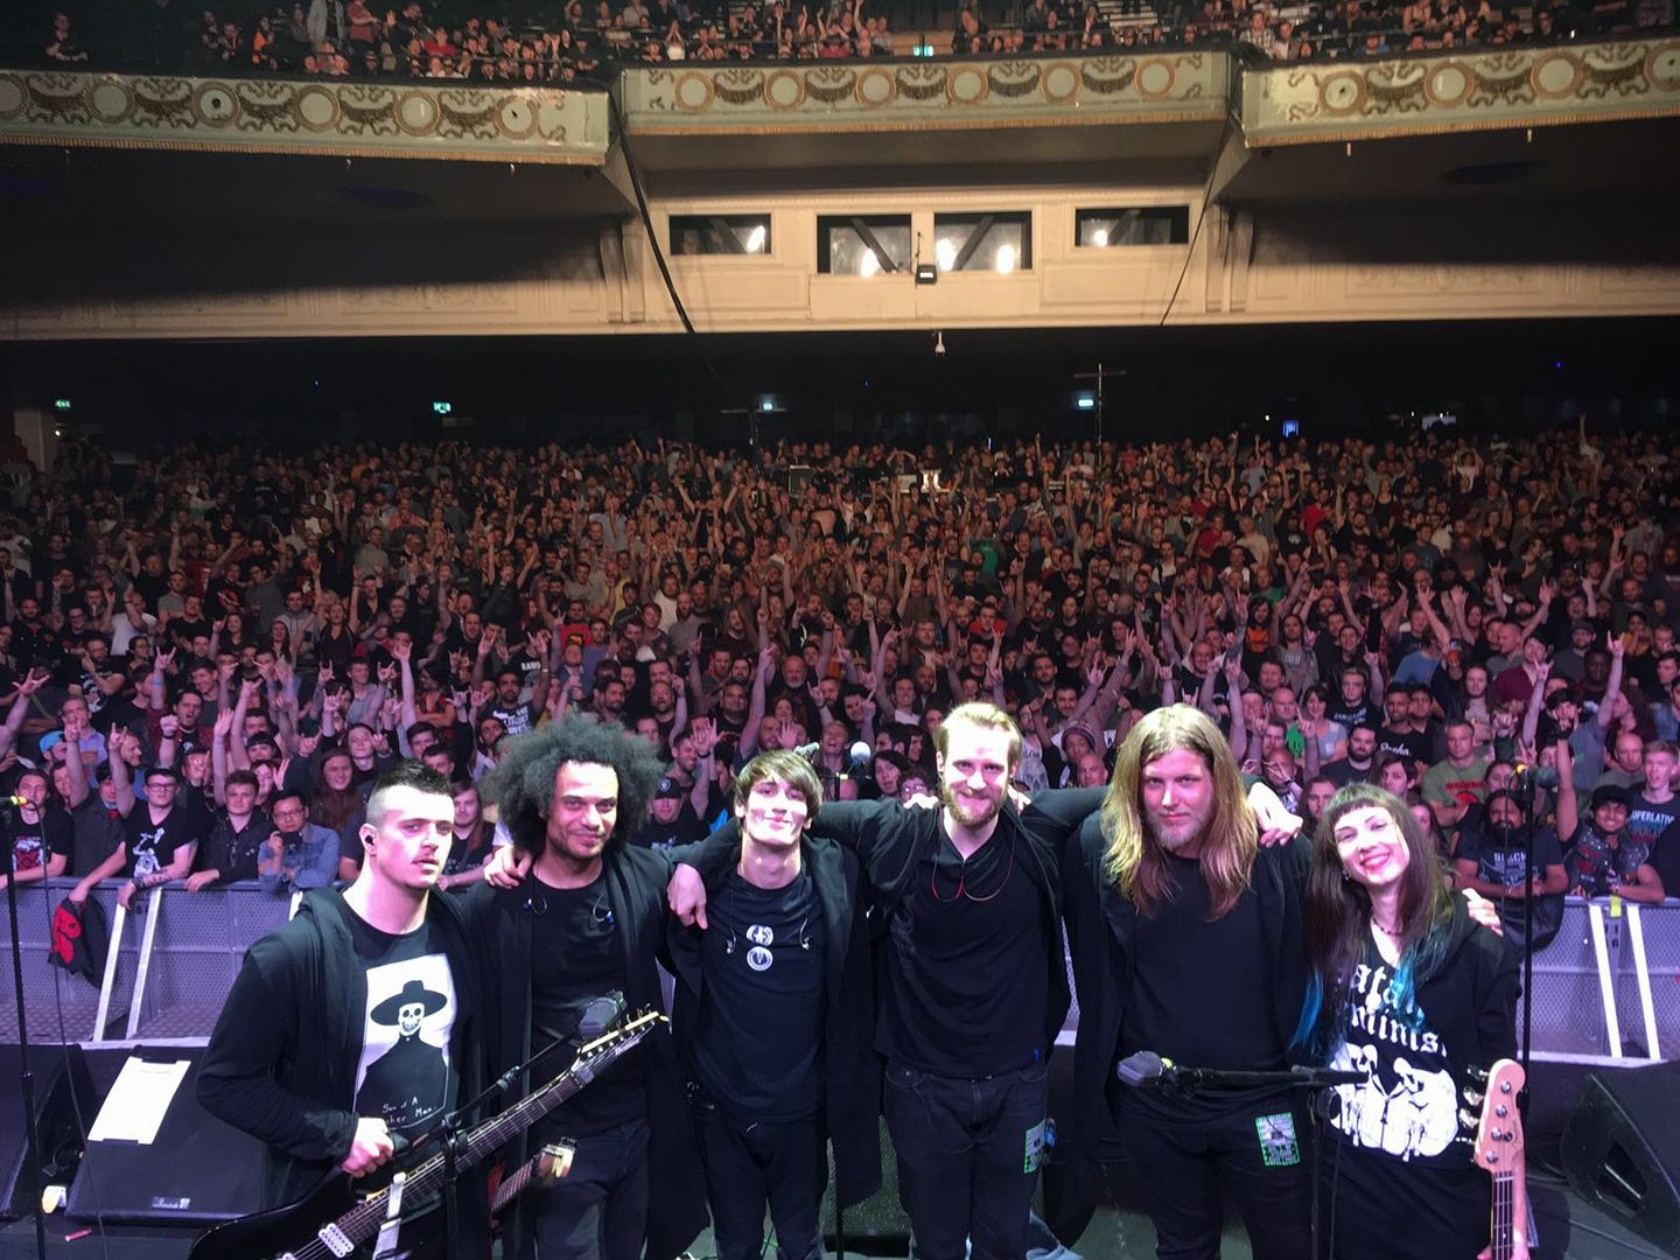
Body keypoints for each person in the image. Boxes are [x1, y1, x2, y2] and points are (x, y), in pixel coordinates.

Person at [672, 701, 1099, 1260]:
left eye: (993, 769)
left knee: (1006, 1242)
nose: (977, 781)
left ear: (1013, 772)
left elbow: (1150, 781)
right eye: (965, 765)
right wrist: (697, 861)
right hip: (921, 1086)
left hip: (1018, 1085)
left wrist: (1254, 788)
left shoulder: (1040, 824)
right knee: (936, 1244)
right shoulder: (893, 829)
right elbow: (782, 812)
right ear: (940, 765)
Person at [196, 763, 491, 1259]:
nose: (432, 842)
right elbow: (223, 1083)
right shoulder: (292, 953)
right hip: (335, 1214)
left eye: (443, 828)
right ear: (370, 840)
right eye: (412, 826)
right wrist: (341, 1133)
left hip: (436, 1201)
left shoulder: (456, 930)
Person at [1060, 704, 1314, 1260]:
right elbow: (1024, 811)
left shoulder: (1276, 853)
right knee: (1182, 1248)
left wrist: (1464, 912)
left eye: (1187, 781)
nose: (1169, 799)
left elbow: (1364, 911)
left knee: (1290, 1246)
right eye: (1152, 782)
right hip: (1157, 1101)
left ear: (1217, 781)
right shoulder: (1104, 853)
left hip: (1263, 1096)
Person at [466, 715, 707, 1260]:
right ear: (540, 803)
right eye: (574, 803)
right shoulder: (497, 902)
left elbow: (714, 858)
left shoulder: (642, 876)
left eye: (606, 805)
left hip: (637, 1128)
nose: (592, 818)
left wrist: (692, 864)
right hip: (552, 1139)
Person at [1297, 784, 1525, 1259]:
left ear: (1409, 835)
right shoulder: (1328, 938)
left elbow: (1505, 1104)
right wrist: (1258, 793)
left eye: (1379, 824)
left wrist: (1515, 1232)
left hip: (1445, 1191)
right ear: (1339, 861)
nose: (1366, 841)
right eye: (1347, 835)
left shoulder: (1479, 949)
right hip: (1350, 1187)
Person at [666, 749, 879, 1260]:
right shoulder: (697, 882)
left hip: (802, 1114)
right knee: (735, 1246)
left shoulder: (841, 875)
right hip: (720, 1109)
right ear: (739, 807)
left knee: (801, 1246)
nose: (780, 805)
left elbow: (900, 824)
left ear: (810, 815)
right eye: (765, 791)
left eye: (795, 795)